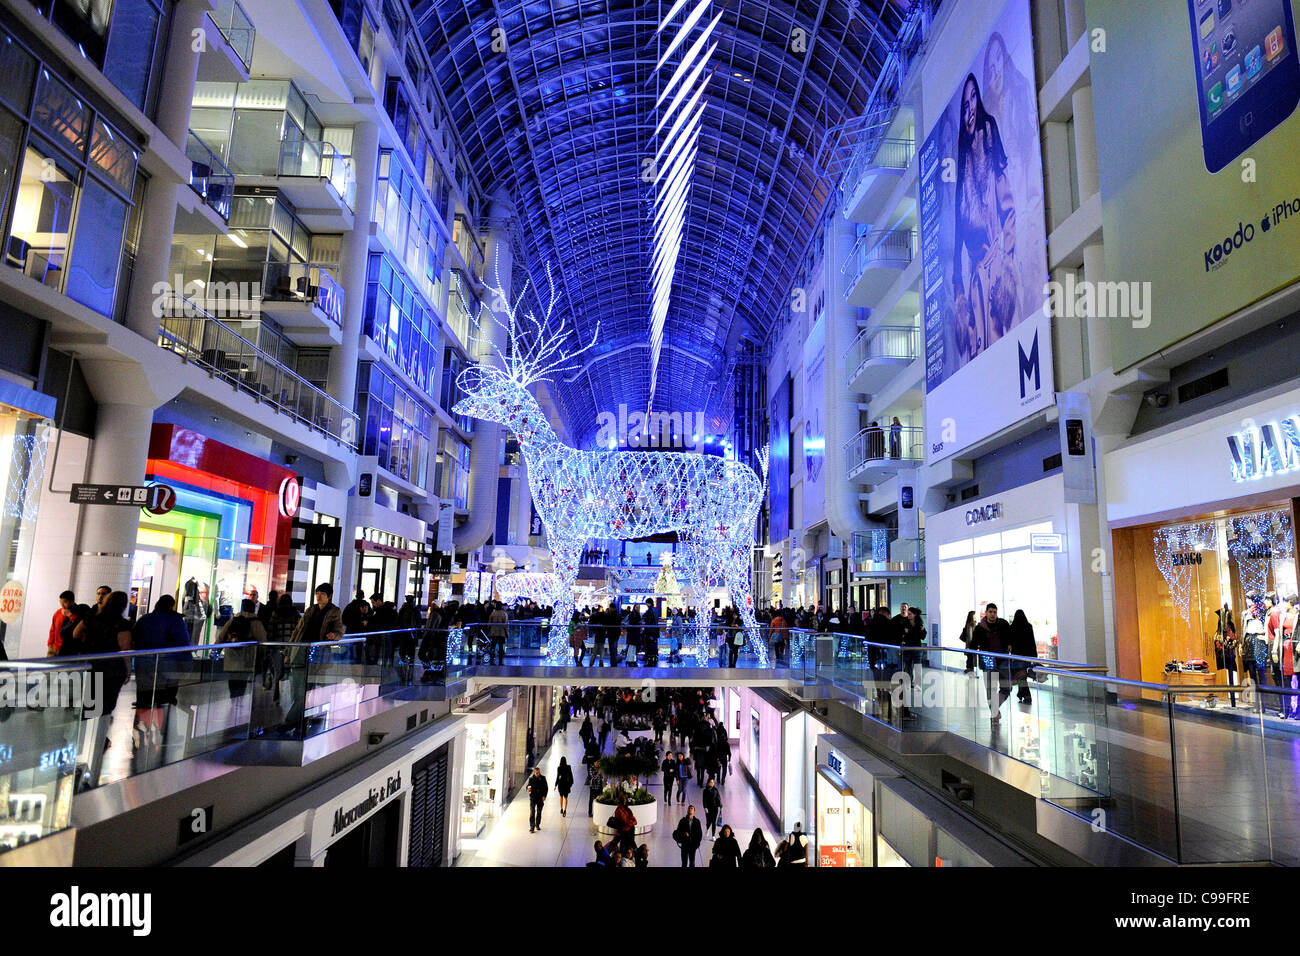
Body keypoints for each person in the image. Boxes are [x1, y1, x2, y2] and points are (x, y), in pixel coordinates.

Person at [970, 602, 1012, 723]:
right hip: (987, 661)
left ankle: (994, 709)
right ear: (986, 612)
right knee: (990, 689)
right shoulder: (980, 628)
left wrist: (1009, 644)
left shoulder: (1003, 624)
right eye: (990, 612)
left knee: (1007, 687)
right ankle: (994, 714)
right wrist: (970, 665)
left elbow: (1010, 636)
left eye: (994, 612)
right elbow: (973, 645)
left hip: (1002, 660)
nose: (993, 614)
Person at [1008, 609, 1038, 703]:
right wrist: (1034, 657)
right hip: (1027, 656)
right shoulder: (1028, 626)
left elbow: (1010, 642)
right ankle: (1021, 694)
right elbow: (1032, 642)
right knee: (1022, 676)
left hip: (1017, 657)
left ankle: (1027, 696)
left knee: (1021, 676)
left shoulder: (1012, 627)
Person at [526, 767, 548, 833]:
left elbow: (546, 788)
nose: (538, 774)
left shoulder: (543, 778)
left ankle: (537, 825)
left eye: (538, 773)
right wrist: (528, 789)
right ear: (534, 772)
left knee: (539, 812)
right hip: (533, 798)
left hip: (540, 798)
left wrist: (544, 796)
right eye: (536, 773)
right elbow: (528, 786)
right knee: (532, 812)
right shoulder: (531, 779)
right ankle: (532, 827)